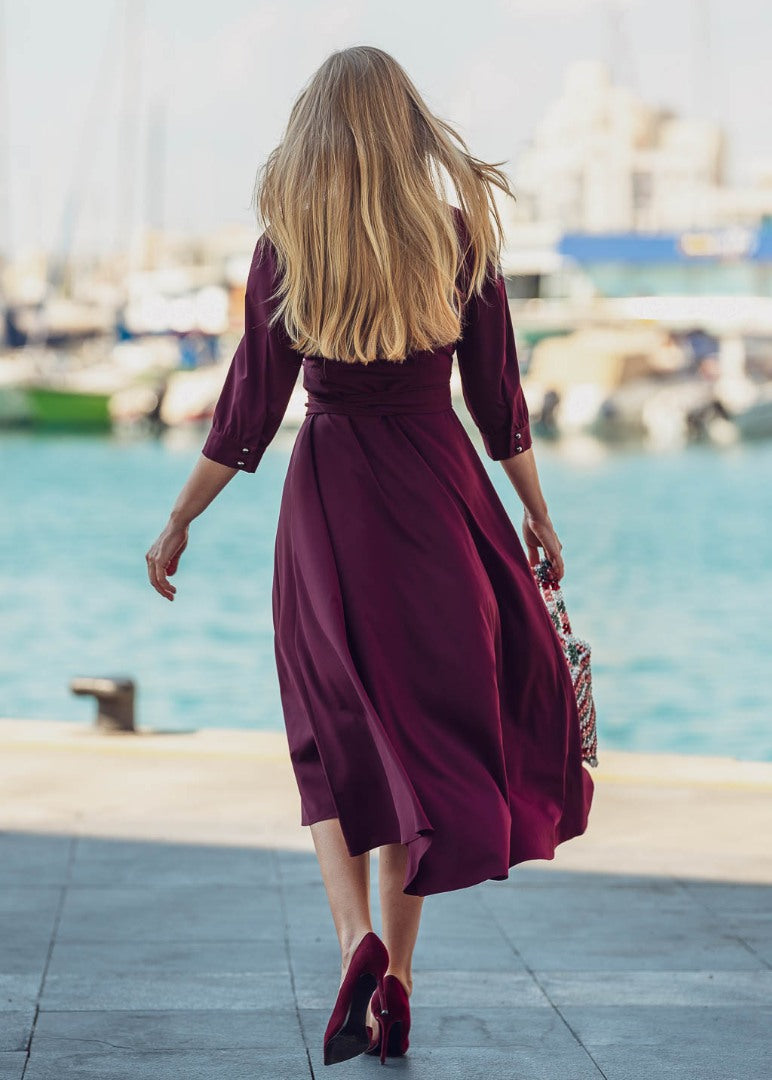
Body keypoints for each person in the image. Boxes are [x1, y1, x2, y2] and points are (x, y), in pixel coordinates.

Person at [145, 45, 595, 1068]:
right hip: (440, 496)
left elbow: (247, 411)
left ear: (314, 134)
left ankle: (356, 944)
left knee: (331, 735)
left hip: (329, 502)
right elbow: (499, 402)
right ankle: (398, 977)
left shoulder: (288, 248)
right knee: (417, 743)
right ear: (407, 129)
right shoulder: (457, 240)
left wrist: (178, 521)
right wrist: (538, 516)